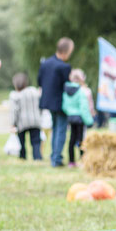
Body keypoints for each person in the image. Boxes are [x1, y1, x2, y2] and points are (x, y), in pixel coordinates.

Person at [38, 38, 74, 167]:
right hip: (60, 102)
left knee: (55, 128)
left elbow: (39, 81)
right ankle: (57, 158)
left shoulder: (45, 63)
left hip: (47, 101)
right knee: (61, 129)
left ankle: (54, 155)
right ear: (67, 51)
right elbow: (67, 85)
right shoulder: (64, 67)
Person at [62, 69, 94, 167]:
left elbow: (64, 106)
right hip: (80, 118)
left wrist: (69, 113)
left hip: (71, 117)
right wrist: (89, 121)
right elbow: (84, 108)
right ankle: (82, 159)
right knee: (80, 140)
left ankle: (71, 161)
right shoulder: (81, 92)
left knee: (71, 139)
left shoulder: (66, 91)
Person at [10, 72, 43, 161]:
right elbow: (40, 105)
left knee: (22, 141)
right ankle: (37, 156)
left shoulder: (15, 95)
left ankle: (23, 156)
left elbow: (14, 111)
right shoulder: (34, 91)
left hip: (22, 122)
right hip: (35, 120)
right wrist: (40, 115)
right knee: (36, 141)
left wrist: (13, 123)